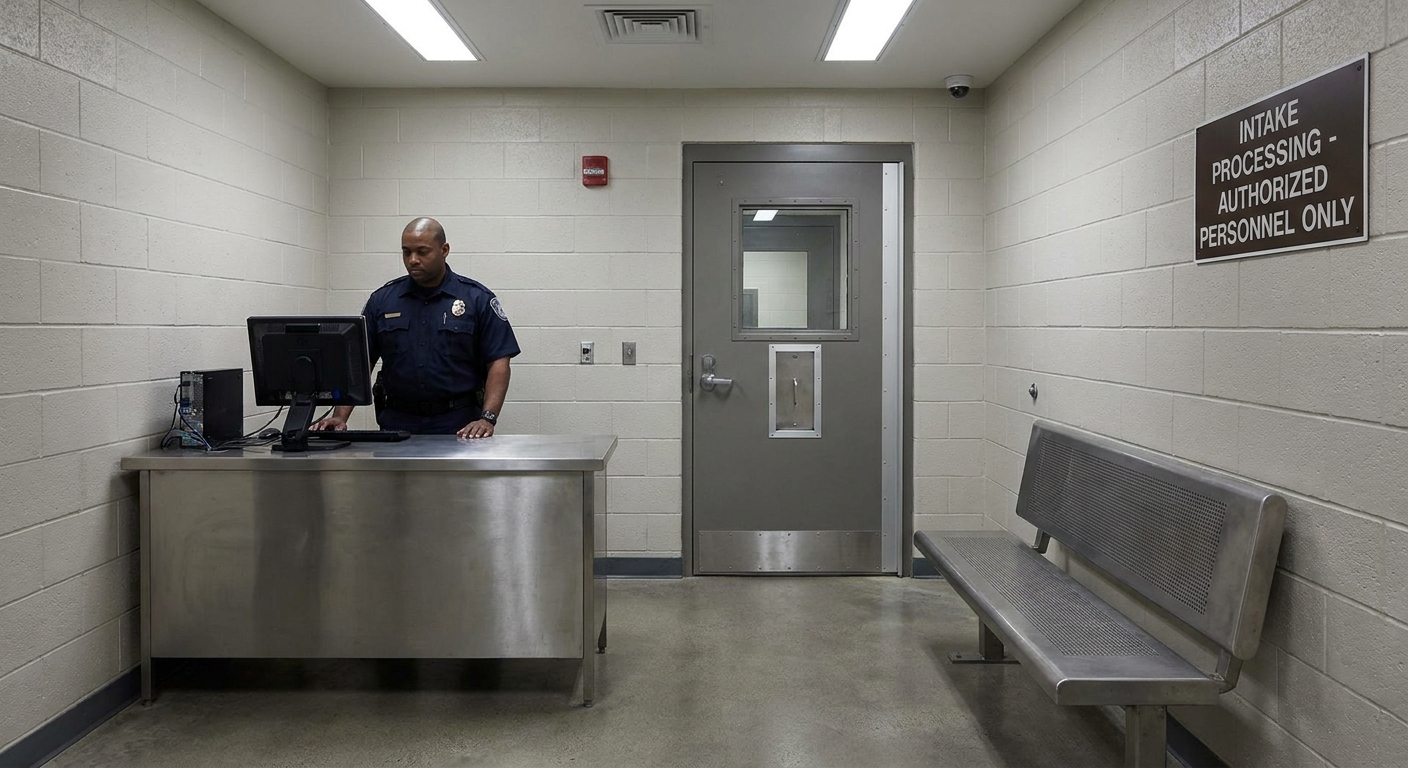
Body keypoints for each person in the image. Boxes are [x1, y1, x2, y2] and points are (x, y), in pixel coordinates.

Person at [312, 217, 519, 438]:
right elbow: (359, 362)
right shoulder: (383, 300)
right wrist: (340, 417)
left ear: (444, 249)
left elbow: (498, 362)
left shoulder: (476, 299)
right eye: (406, 252)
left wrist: (487, 418)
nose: (413, 260)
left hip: (459, 424)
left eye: (422, 252)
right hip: (398, 421)